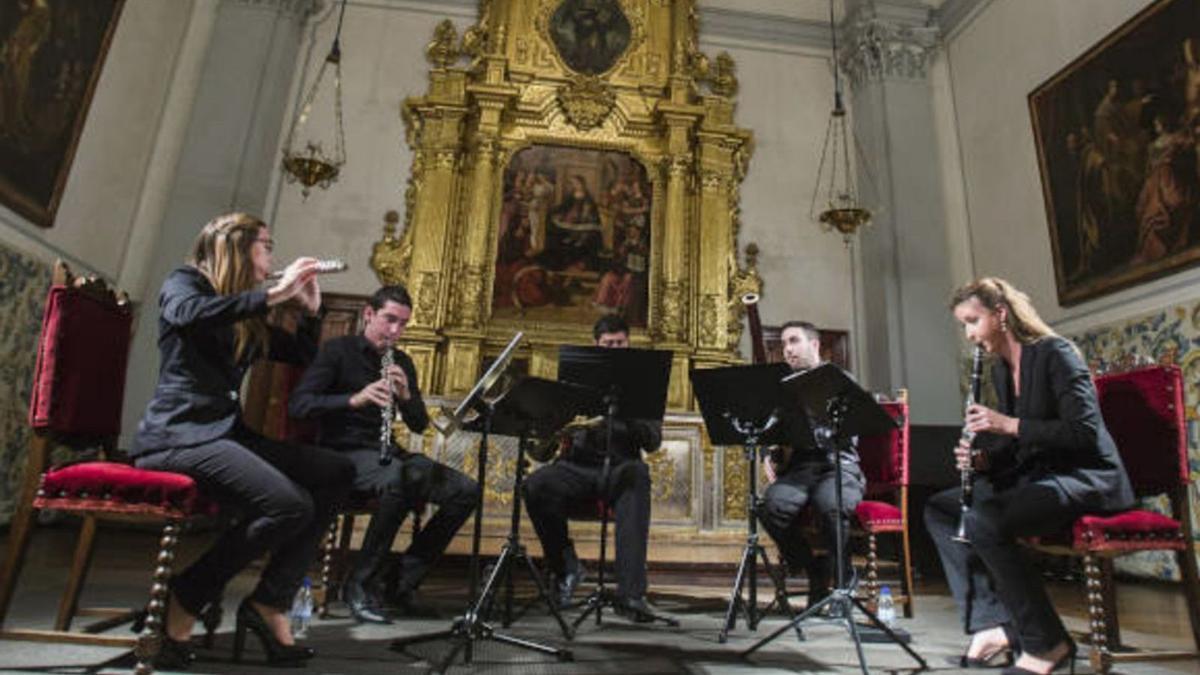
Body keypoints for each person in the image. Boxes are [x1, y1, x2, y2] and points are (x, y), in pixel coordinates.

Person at [131, 212, 355, 668]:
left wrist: (310, 313)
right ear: (235, 247)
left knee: (336, 472)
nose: (272, 255)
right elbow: (186, 315)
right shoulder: (185, 283)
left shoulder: (244, 312)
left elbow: (301, 356)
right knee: (290, 505)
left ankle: (269, 600)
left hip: (224, 434)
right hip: (177, 436)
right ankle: (186, 595)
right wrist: (274, 293)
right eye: (266, 246)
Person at [925, 277, 1134, 674]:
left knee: (986, 519)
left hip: (1086, 477)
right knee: (941, 509)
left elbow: (1082, 433)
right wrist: (984, 461)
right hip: (1041, 476)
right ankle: (992, 625)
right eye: (963, 325)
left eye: (973, 321)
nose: (969, 334)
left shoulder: (1056, 354)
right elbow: (1019, 445)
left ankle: (1047, 644)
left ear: (1000, 314)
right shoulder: (1003, 370)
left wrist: (1007, 425)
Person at [289, 285, 479, 624]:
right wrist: (353, 399)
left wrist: (406, 396)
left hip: (387, 452)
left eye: (403, 324)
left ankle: (399, 582)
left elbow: (420, 425)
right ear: (368, 314)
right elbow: (300, 405)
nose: (395, 331)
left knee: (465, 490)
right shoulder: (337, 351)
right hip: (342, 452)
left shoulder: (401, 361)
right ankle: (359, 585)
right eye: (389, 320)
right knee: (399, 480)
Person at [522, 314, 663, 622]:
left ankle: (631, 593)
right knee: (536, 484)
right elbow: (549, 434)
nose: (615, 349)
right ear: (596, 345)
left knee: (638, 475)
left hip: (621, 468)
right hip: (577, 468)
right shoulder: (575, 380)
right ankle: (566, 567)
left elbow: (652, 441)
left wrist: (626, 408)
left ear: (629, 343)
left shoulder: (644, 382)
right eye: (608, 344)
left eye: (621, 344)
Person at [756, 321, 865, 610]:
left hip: (839, 464)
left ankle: (844, 581)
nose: (787, 349)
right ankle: (814, 567)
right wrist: (767, 451)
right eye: (783, 344)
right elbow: (769, 426)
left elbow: (856, 429)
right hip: (803, 469)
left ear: (814, 345)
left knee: (831, 504)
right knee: (769, 506)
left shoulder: (841, 380)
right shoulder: (785, 389)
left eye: (794, 341)